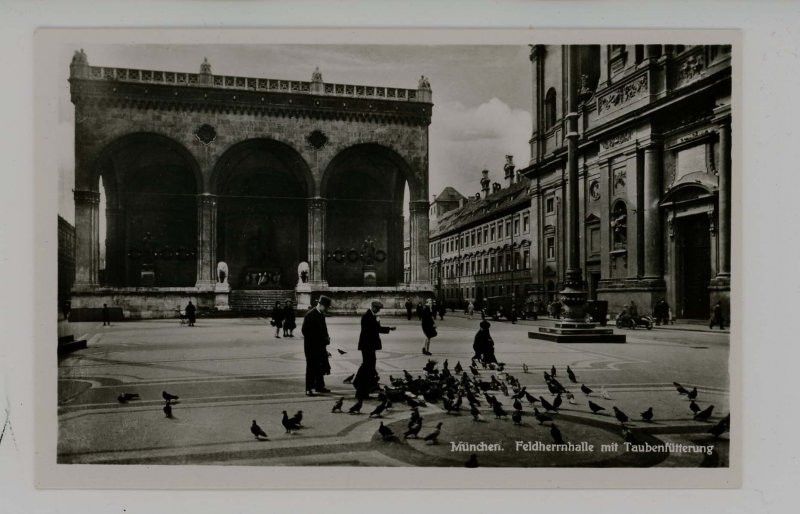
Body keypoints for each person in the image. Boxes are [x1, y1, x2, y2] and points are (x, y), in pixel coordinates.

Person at [354, 300, 396, 400]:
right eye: (377, 309)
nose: (378, 310)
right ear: (372, 307)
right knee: (367, 365)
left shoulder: (373, 316)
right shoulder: (367, 316)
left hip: (370, 346)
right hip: (367, 346)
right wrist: (386, 327)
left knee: (370, 365)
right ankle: (360, 386)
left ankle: (369, 386)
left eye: (379, 309)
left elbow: (377, 328)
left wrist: (389, 328)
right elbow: (373, 330)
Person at [301, 295, 332, 396]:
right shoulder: (310, 315)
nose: (327, 309)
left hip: (320, 346)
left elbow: (324, 329)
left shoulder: (321, 315)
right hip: (311, 347)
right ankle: (308, 388)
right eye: (326, 307)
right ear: (321, 305)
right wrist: (320, 339)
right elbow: (304, 331)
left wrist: (327, 338)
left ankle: (319, 386)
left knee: (320, 366)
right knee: (311, 367)